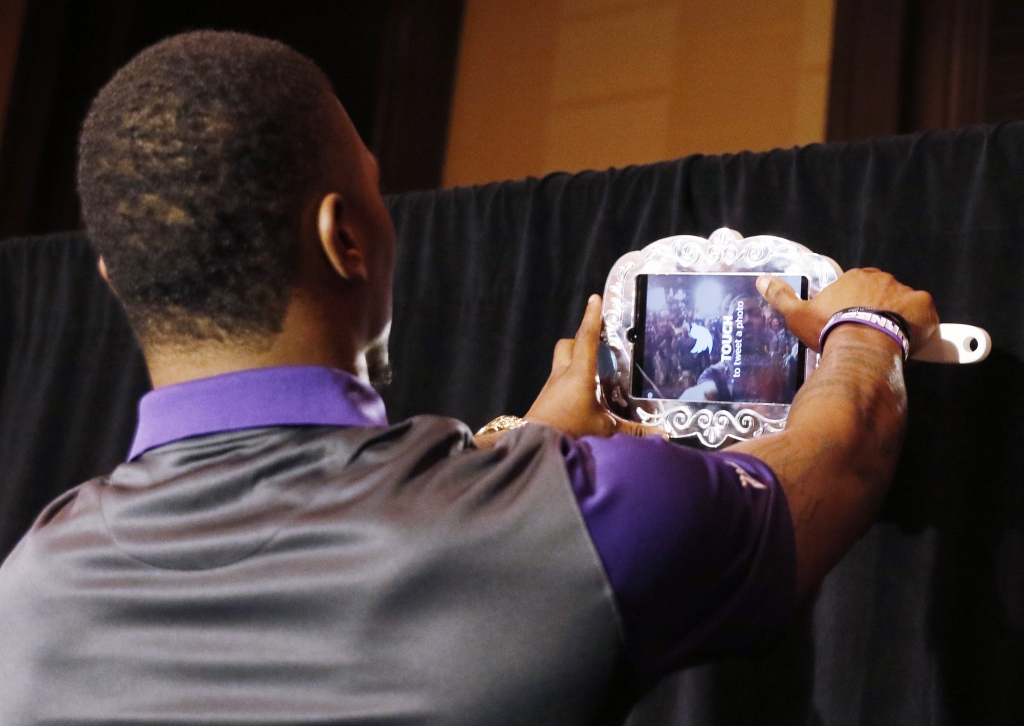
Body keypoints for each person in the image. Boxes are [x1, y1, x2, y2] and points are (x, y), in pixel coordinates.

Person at [0, 31, 939, 726]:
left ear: (117, 277)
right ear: (347, 237)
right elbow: (838, 460)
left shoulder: (28, 587)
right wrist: (864, 326)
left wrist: (527, 456)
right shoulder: (572, 519)